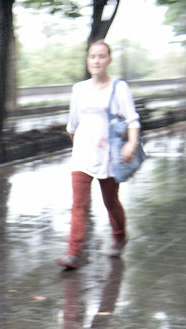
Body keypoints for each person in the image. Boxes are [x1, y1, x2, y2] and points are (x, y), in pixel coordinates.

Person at [60, 40, 141, 270]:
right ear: (88, 60)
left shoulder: (119, 88)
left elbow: (132, 119)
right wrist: (78, 149)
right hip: (83, 155)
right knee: (78, 205)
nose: (97, 61)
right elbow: (72, 124)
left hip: (109, 155)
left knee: (110, 201)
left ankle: (119, 236)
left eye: (102, 56)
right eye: (93, 56)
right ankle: (73, 253)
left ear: (109, 60)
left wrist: (131, 144)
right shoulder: (79, 89)